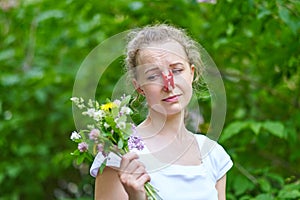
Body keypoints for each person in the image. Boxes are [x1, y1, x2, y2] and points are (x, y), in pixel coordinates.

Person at [90, 24, 233, 200]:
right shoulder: (120, 153)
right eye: (153, 76)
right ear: (139, 87)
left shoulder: (213, 155)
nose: (169, 84)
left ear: (192, 73)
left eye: (177, 70)